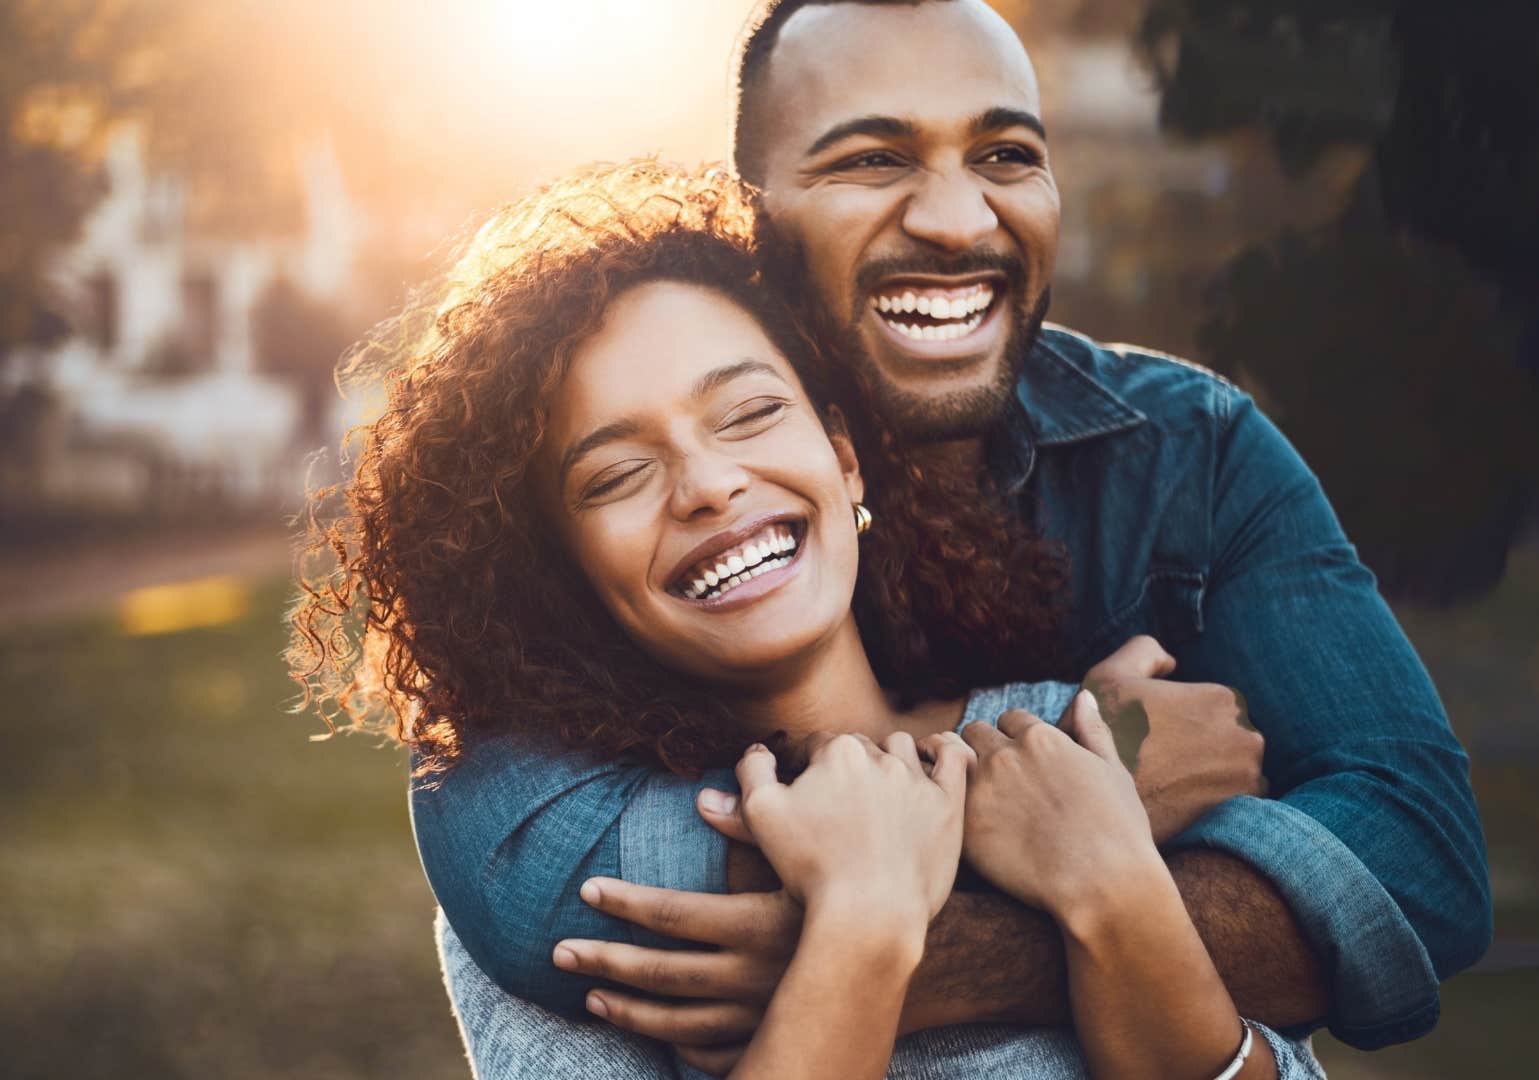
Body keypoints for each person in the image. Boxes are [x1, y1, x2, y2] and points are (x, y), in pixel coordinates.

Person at [407, 0, 1490, 1070]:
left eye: (1007, 154)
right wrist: (1101, 763)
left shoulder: (1188, 455)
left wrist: (984, 946)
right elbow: (534, 882)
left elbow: (1417, 865)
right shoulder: (587, 529)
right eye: (873, 161)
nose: (960, 221)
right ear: (753, 219)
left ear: (841, 458)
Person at [293, 159, 1321, 1077]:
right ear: (560, 572)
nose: (706, 484)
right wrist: (862, 933)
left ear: (842, 455)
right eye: (616, 474)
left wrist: (1118, 900)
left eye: (748, 413)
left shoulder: (1068, 749)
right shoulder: (596, 910)